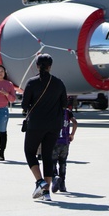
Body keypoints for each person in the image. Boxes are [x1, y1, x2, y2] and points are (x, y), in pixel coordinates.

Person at [22, 53, 68, 202]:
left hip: (36, 124)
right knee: (47, 156)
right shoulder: (59, 83)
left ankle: (40, 181)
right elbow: (64, 104)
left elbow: (24, 105)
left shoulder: (31, 82)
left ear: (37, 66)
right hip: (54, 125)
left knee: (30, 152)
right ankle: (46, 192)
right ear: (50, 66)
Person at [51, 98, 78, 193]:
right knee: (63, 162)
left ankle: (55, 178)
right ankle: (62, 184)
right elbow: (75, 122)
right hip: (65, 142)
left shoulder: (52, 111)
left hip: (53, 141)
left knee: (52, 162)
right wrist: (72, 134)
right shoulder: (67, 112)